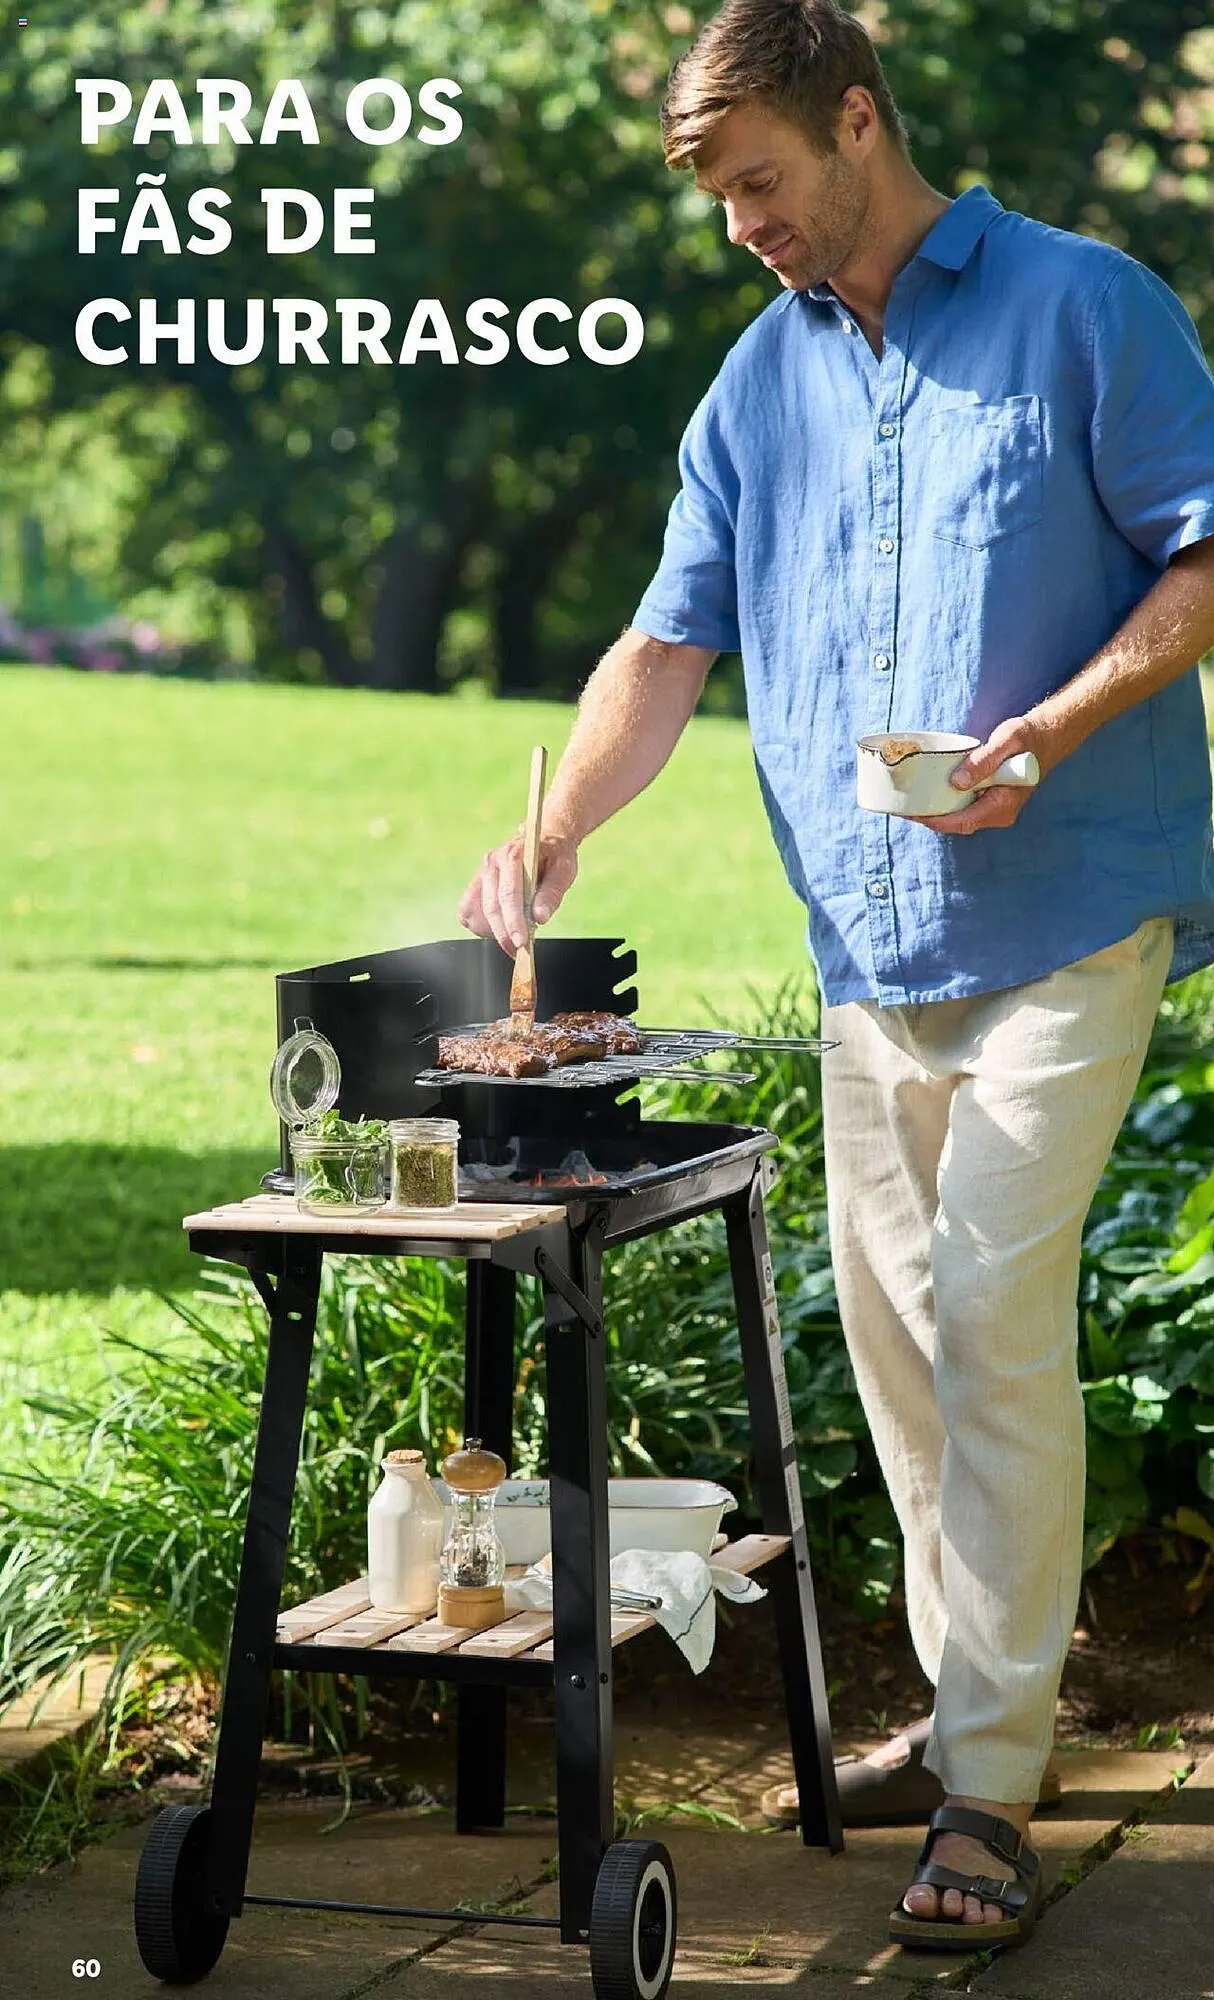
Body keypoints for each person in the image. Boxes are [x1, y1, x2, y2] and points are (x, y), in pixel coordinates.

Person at [458, 0, 1214, 1953]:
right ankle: (975, 1714)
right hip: (868, 948)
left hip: (1070, 911)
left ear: (858, 121)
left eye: (760, 181)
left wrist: (1053, 726)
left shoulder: (1083, 308)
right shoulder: (758, 384)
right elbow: (665, 643)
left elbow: (1204, 556)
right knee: (896, 1342)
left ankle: (988, 1789)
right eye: (719, 198)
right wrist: (561, 828)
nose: (743, 226)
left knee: (989, 1311)